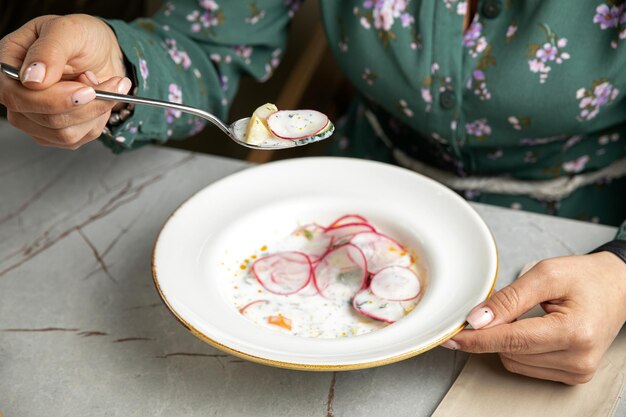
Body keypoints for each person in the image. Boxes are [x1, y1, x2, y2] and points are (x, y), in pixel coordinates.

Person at [0, 1, 625, 385]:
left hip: (579, 235)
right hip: (350, 189)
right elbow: (208, 41)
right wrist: (117, 72)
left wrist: (622, 271)